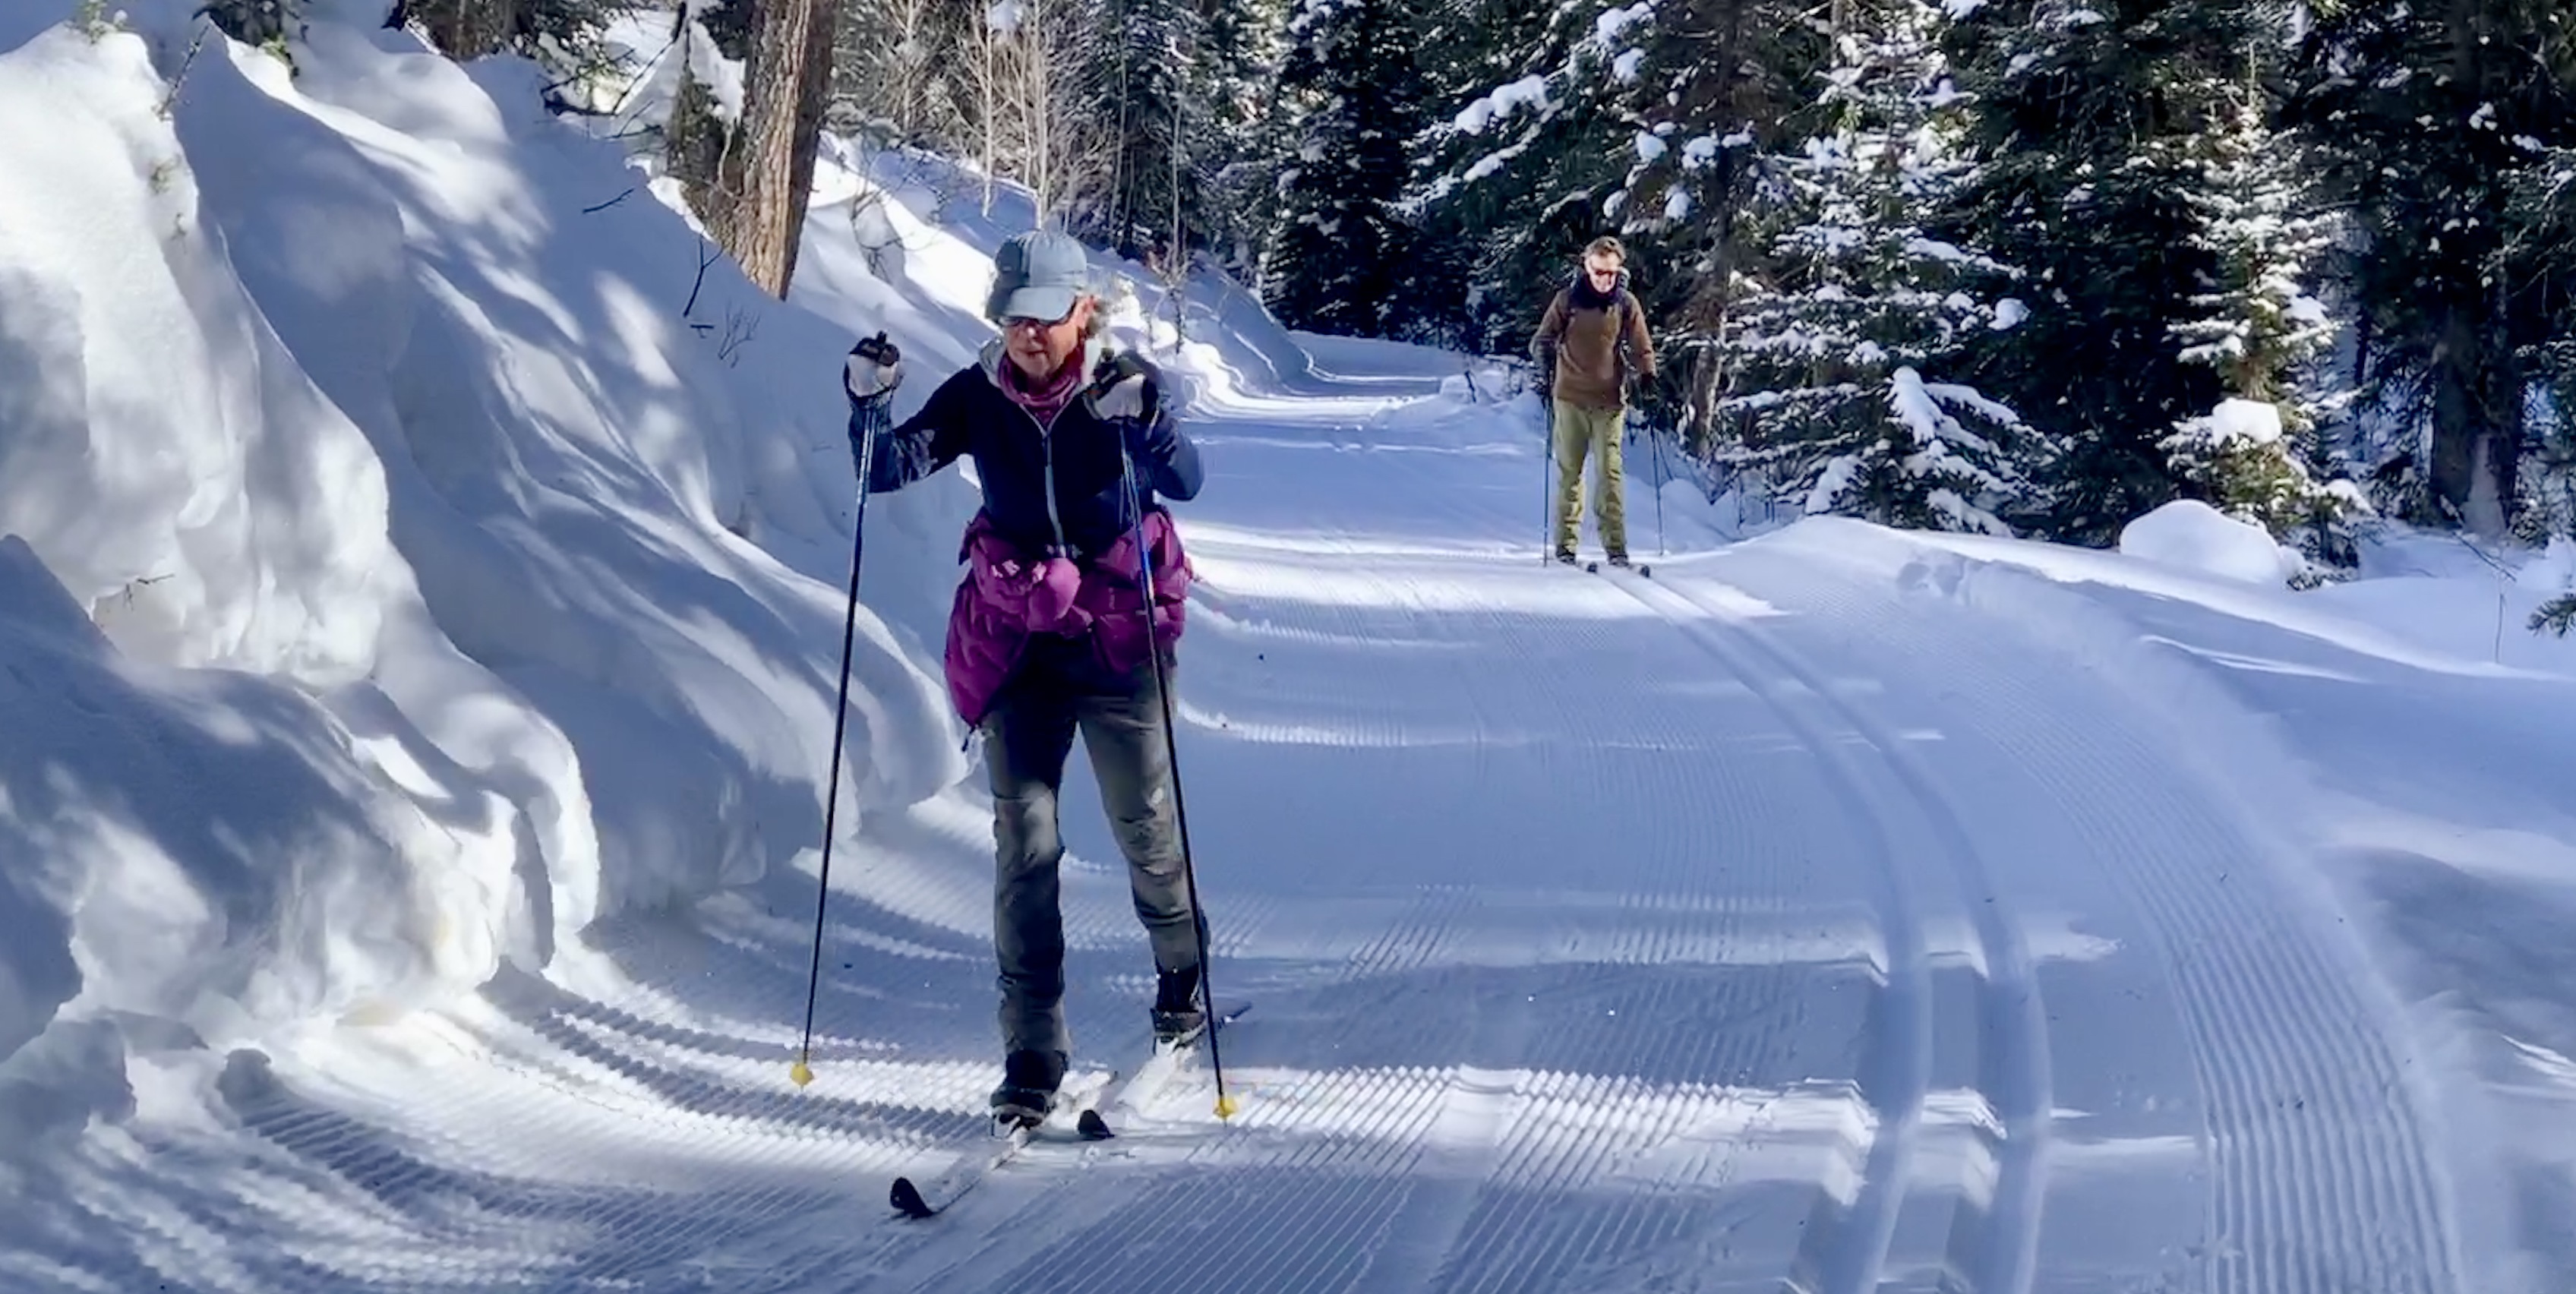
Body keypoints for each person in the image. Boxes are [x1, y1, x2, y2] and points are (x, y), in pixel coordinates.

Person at [842, 229, 1208, 1126]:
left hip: (1117, 639)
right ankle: (1031, 1048)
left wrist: (1146, 422)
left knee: (1144, 827)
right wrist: (867, 407)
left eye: (1043, 317)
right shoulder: (976, 393)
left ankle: (1180, 976)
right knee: (1024, 845)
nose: (1026, 334)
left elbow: (1186, 480)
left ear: (1084, 310)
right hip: (1021, 643)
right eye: (1011, 316)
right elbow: (883, 468)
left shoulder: (1119, 389)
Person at [1531, 235, 1658, 567]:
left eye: (1612, 273)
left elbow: (1642, 345)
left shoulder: (1625, 304)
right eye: (1600, 271)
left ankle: (1616, 548)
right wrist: (1544, 360)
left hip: (1610, 401)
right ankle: (1565, 546)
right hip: (1570, 398)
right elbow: (1542, 339)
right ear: (1588, 268)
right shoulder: (1568, 300)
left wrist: (1648, 376)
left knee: (1610, 475)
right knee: (1570, 473)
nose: (1606, 279)